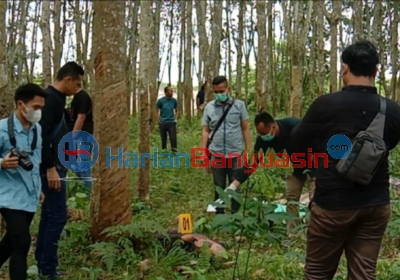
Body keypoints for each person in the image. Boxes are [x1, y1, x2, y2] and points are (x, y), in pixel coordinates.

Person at [291, 40, 400, 279]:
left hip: (333, 203)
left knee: (318, 273)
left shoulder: (325, 105)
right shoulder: (392, 110)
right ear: (376, 71)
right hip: (375, 204)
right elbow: (388, 145)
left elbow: (296, 144)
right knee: (364, 274)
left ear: (344, 68)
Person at [35, 61, 84, 279]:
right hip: (51, 168)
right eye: (77, 83)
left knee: (50, 214)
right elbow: (42, 138)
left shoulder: (58, 99)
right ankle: (47, 268)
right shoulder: (49, 100)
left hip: (58, 165)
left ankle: (43, 261)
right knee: (57, 216)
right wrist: (49, 169)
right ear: (67, 79)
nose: (78, 89)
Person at [228, 111, 315, 232]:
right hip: (294, 168)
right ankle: (293, 233)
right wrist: (233, 185)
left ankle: (314, 232)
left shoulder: (296, 126)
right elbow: (252, 163)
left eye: (264, 133)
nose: (262, 136)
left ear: (273, 126)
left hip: (314, 165)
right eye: (260, 133)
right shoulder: (264, 140)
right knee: (291, 199)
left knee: (315, 201)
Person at [0, 83, 46, 280]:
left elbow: (36, 161)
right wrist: (2, 163)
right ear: (21, 104)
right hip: (7, 194)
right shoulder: (2, 129)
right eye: (36, 107)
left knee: (11, 241)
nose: (38, 112)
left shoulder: (37, 129)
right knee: (22, 241)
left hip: (29, 194)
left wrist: (40, 188)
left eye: (41, 108)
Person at [201, 75, 251, 214]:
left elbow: (245, 127)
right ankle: (220, 215)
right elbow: (206, 130)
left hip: (235, 153)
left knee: (235, 186)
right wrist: (203, 152)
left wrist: (248, 149)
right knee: (219, 186)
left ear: (228, 89)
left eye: (222, 91)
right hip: (216, 154)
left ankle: (236, 216)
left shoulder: (239, 105)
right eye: (216, 92)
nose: (219, 95)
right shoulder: (209, 108)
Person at [67, 89, 93, 188]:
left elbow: (81, 117)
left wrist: (73, 135)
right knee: (76, 165)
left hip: (83, 136)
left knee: (83, 165)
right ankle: (81, 189)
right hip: (79, 137)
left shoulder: (82, 97)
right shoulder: (76, 97)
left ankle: (88, 192)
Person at [155, 86, 179, 152]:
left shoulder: (174, 101)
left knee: (173, 138)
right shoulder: (160, 101)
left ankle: (174, 152)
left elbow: (177, 110)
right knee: (163, 139)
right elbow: (156, 111)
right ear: (166, 92)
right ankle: (164, 151)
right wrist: (158, 120)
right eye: (170, 91)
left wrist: (175, 119)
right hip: (163, 123)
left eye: (172, 91)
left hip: (171, 122)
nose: (171, 92)